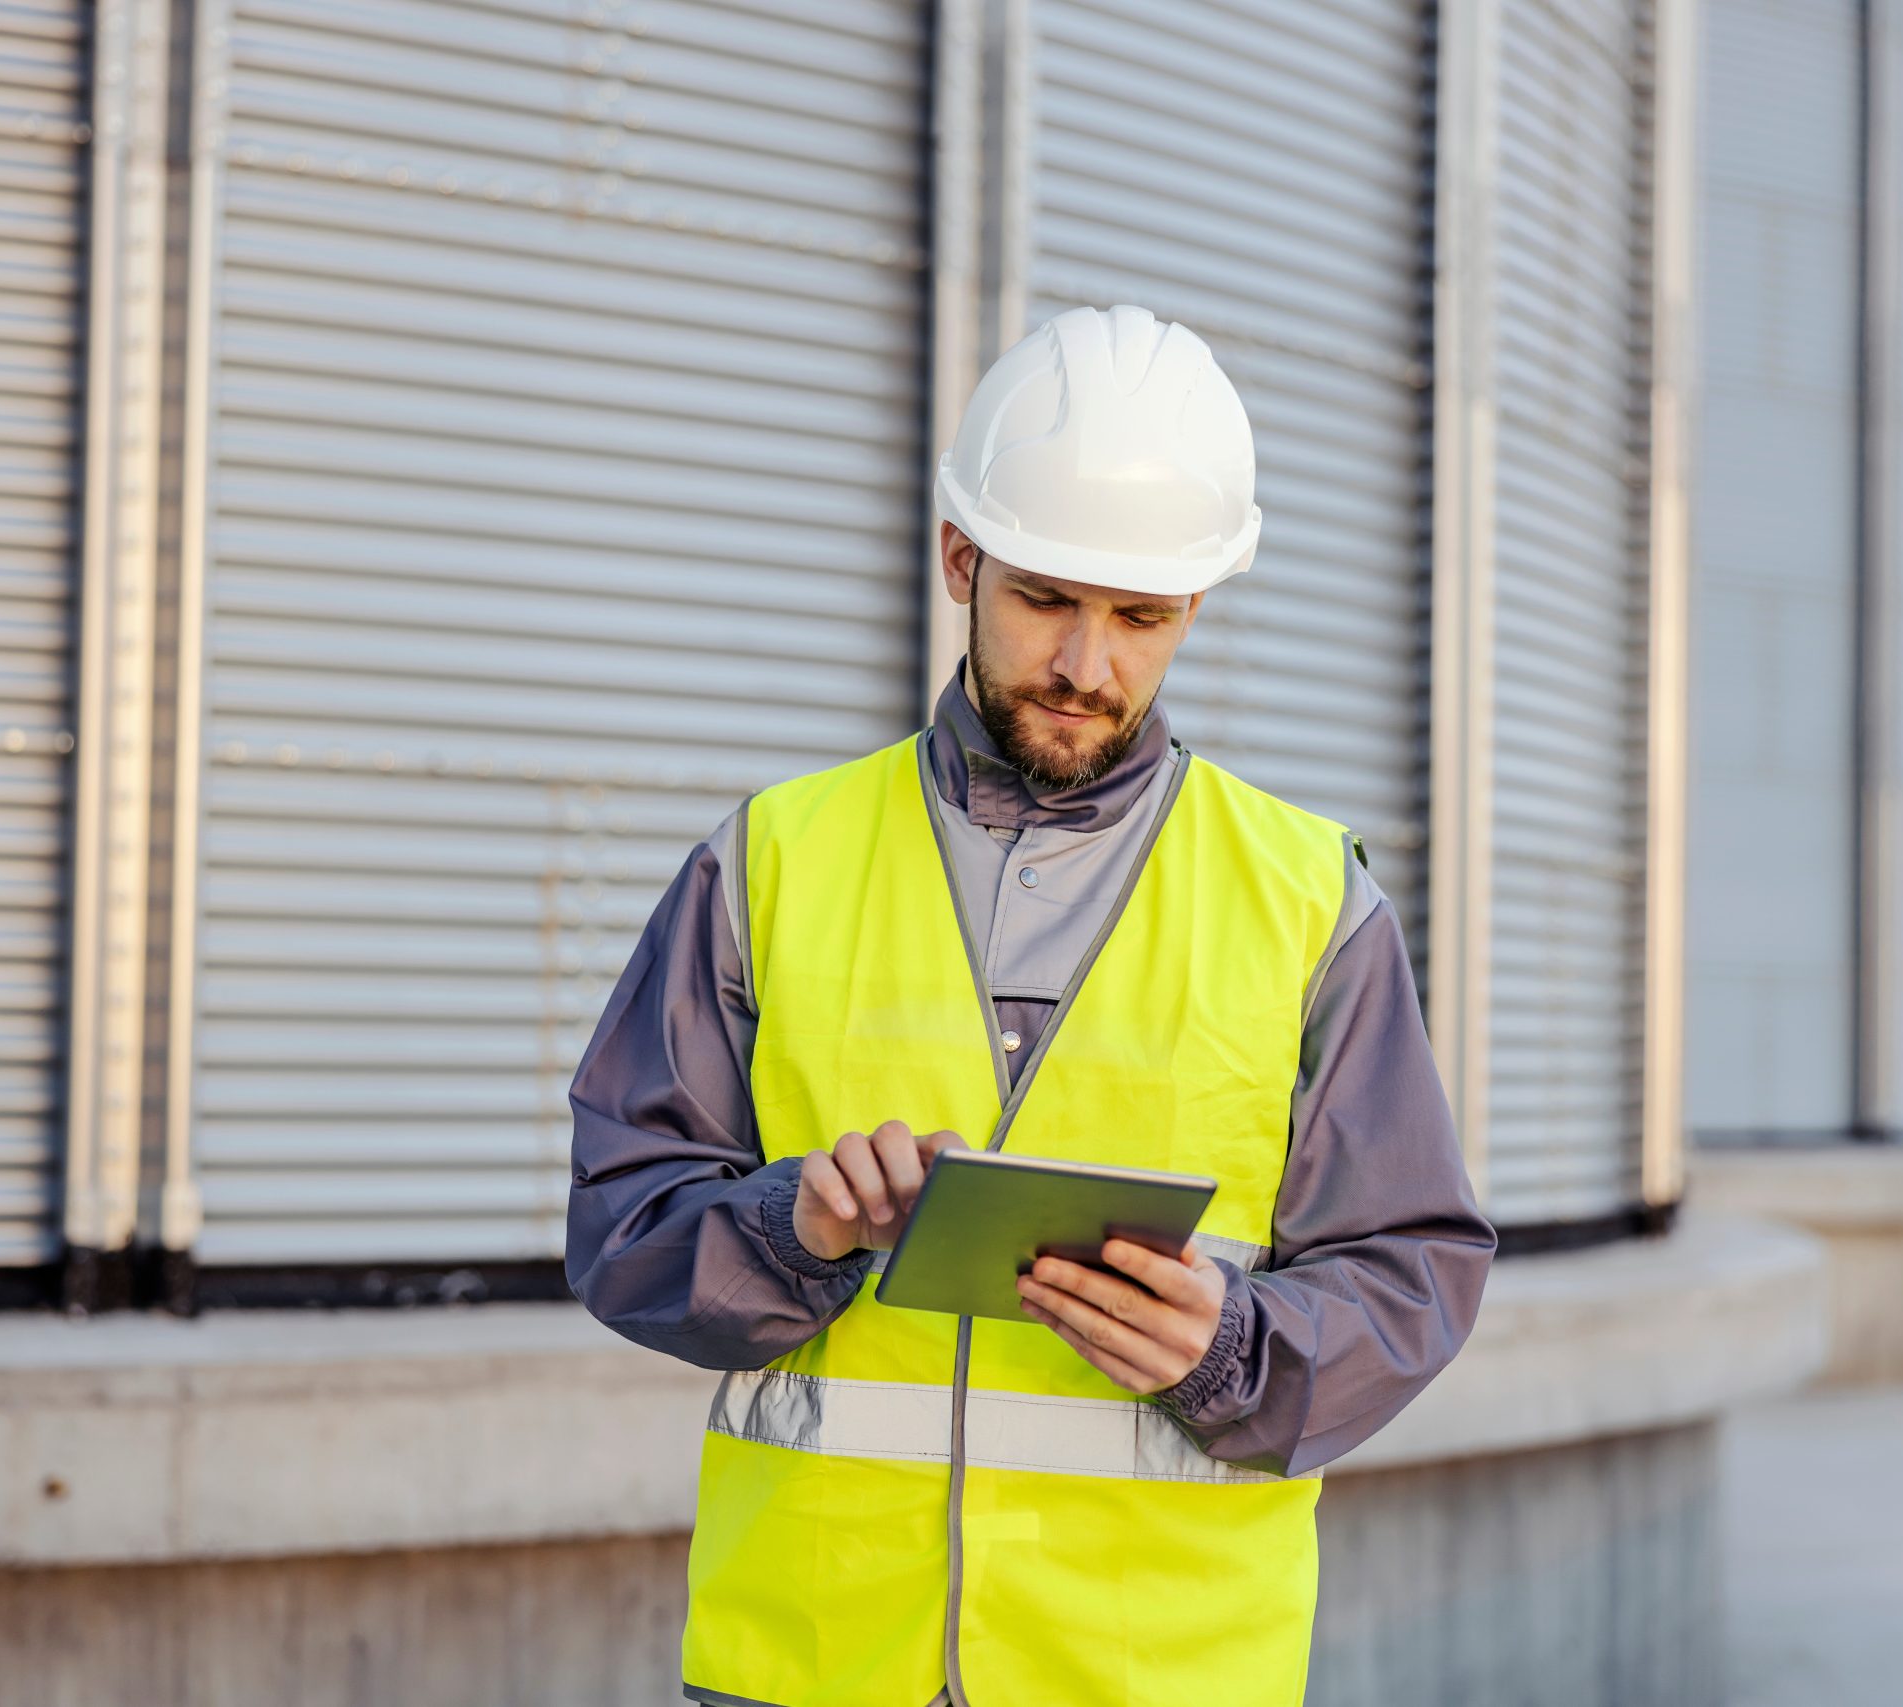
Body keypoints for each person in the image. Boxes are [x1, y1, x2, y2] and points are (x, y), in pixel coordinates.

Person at [566, 304, 1496, 1707]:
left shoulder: (1309, 901)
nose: (1087, 667)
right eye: (1047, 600)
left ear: (1197, 606)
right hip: (813, 1665)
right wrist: (795, 1225)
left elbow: (1413, 1265)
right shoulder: (768, 863)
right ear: (962, 558)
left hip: (1155, 1674)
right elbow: (623, 1228)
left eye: (1141, 618)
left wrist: (1238, 1347)